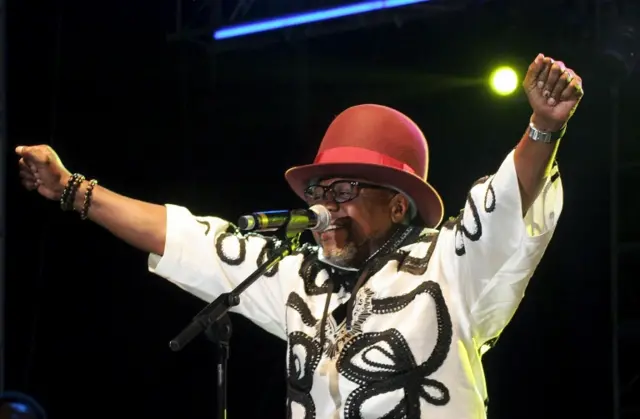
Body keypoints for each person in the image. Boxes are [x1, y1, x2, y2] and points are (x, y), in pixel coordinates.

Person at [16, 53, 581, 418]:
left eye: (343, 192)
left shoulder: (450, 267)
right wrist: (74, 191)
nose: (324, 207)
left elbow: (505, 209)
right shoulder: (300, 277)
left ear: (398, 203)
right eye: (318, 192)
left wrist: (542, 128)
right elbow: (188, 239)